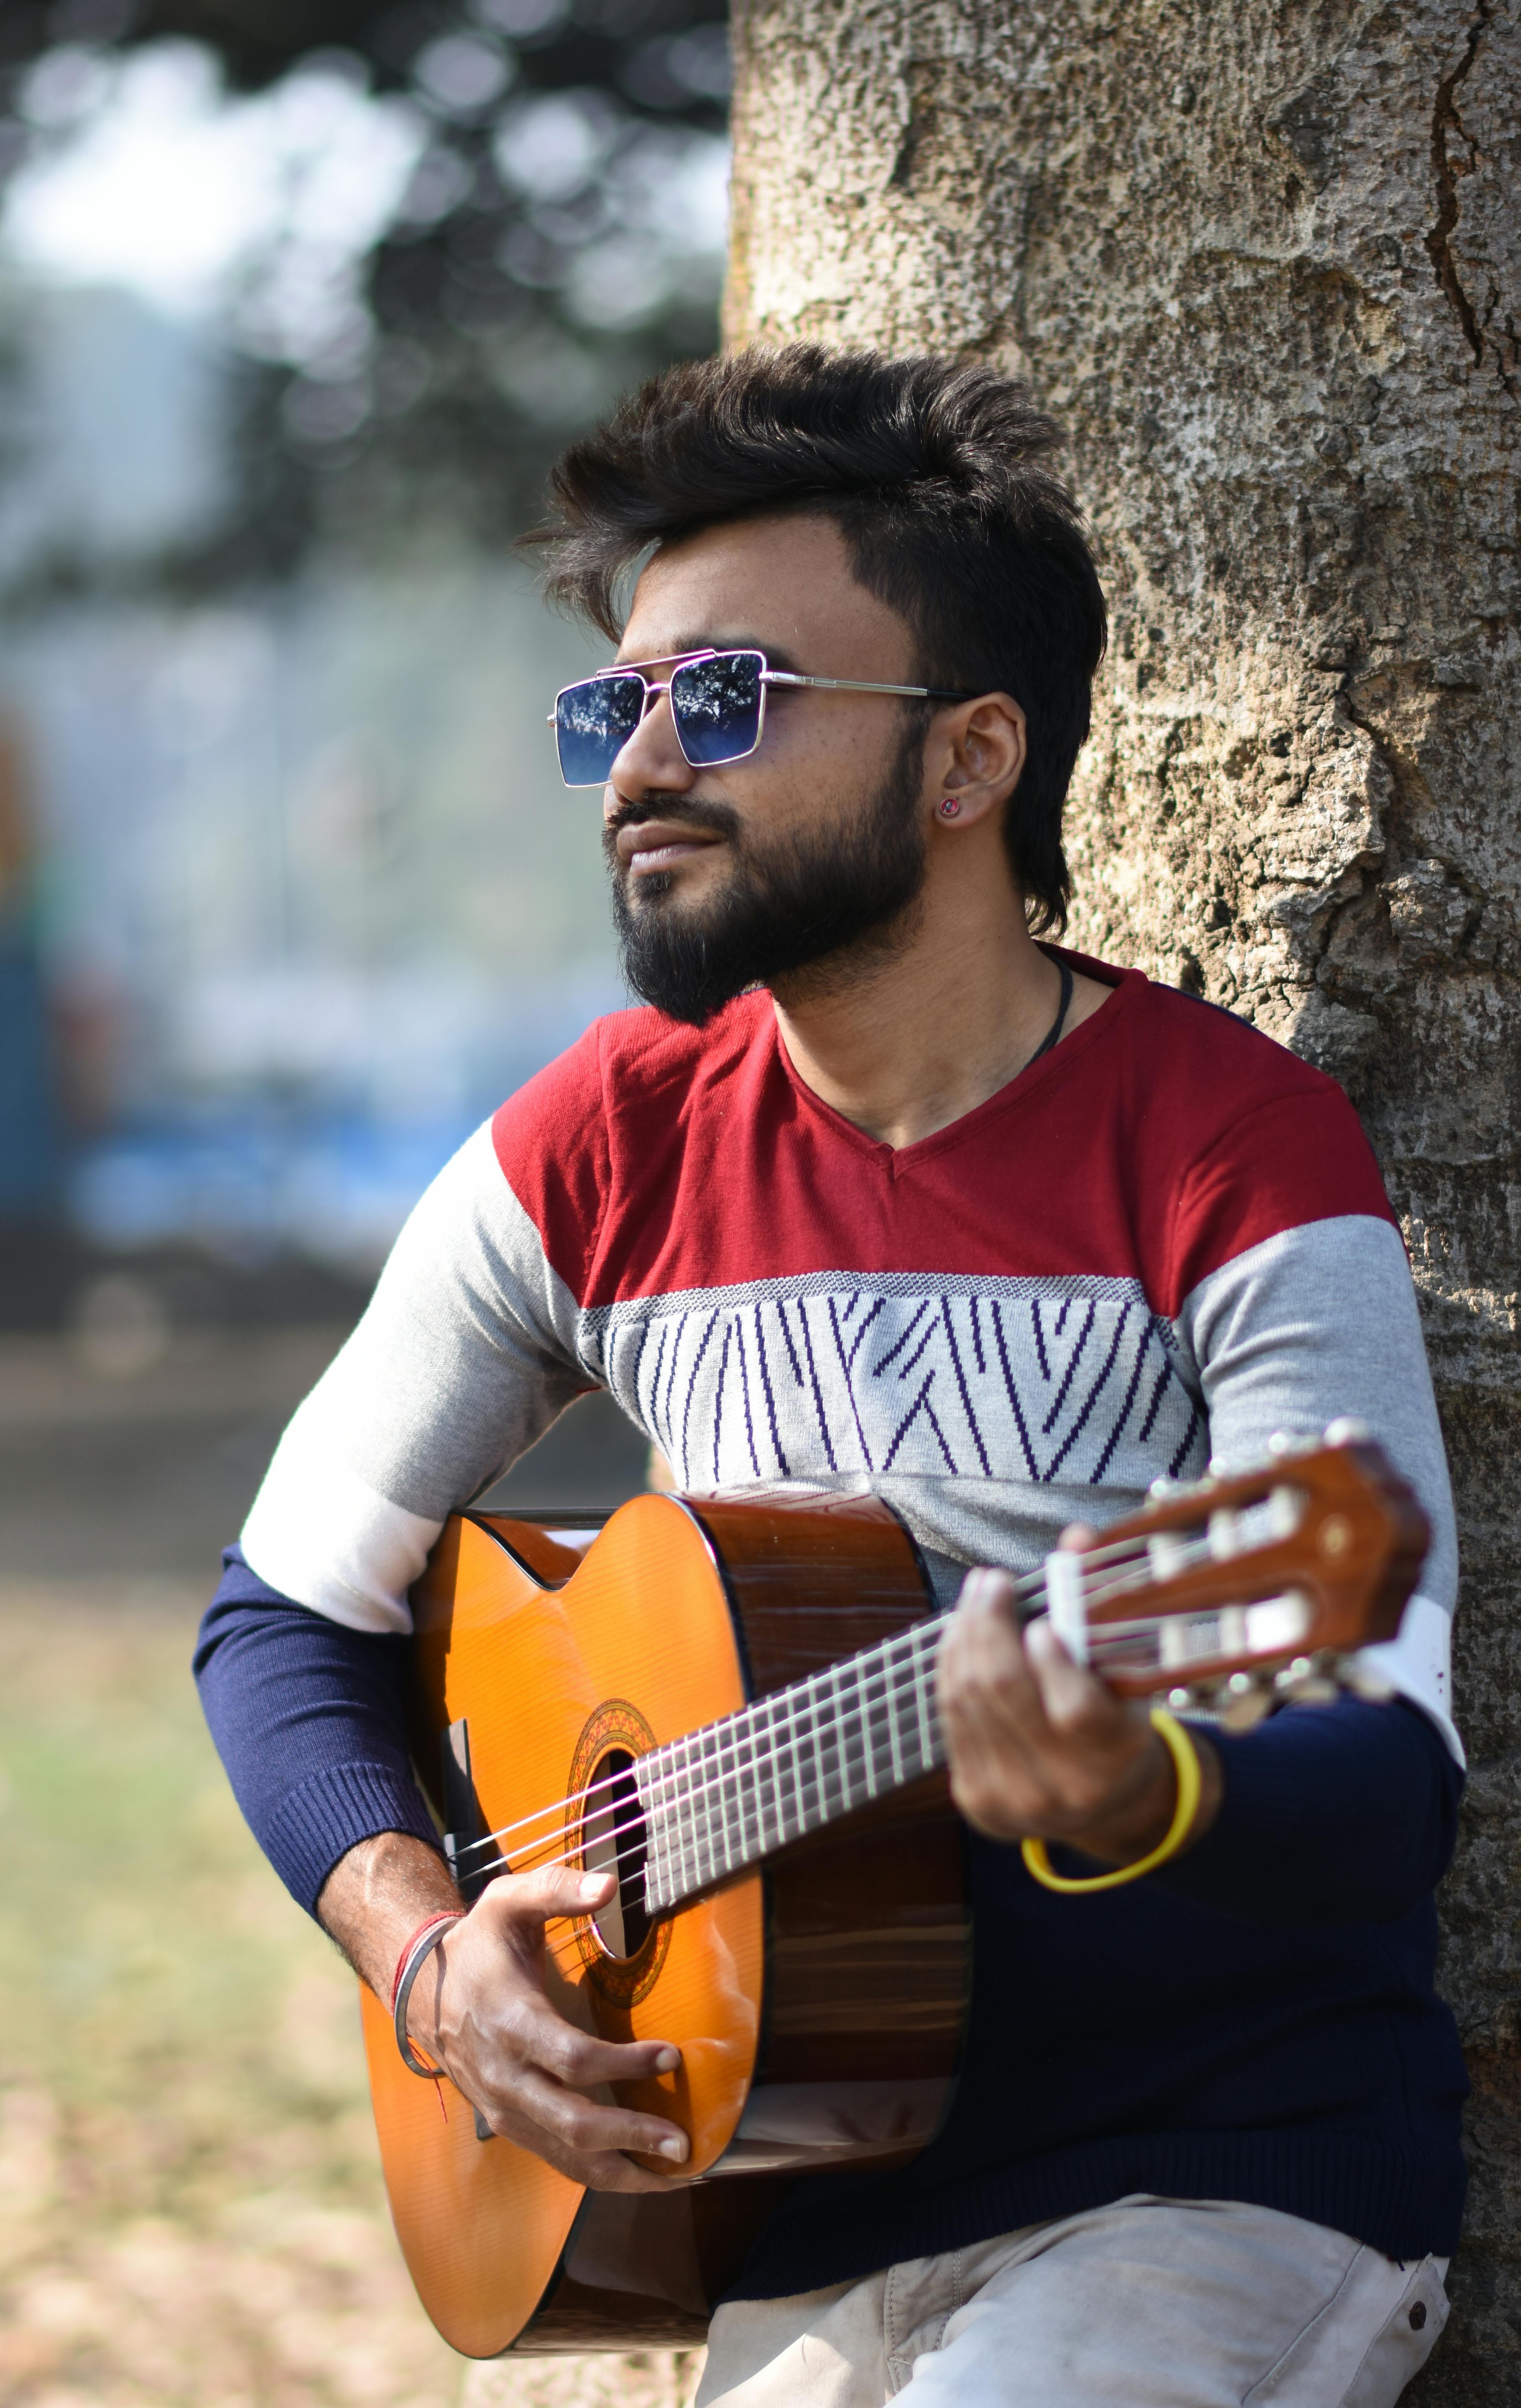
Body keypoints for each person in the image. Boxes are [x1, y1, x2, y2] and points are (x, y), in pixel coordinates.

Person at [195, 346, 1466, 2406]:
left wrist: (1142, 1786)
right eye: (616, 706)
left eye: (723, 698)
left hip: (1203, 2186)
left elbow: (1386, 1771)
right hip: (787, 2198)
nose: (637, 766)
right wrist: (425, 1958)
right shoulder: (598, 1140)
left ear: (969, 760)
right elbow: (280, 1611)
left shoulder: (1232, 1150)